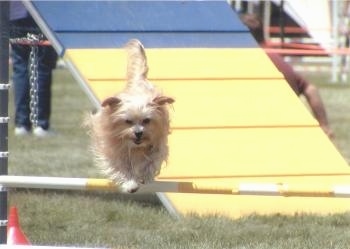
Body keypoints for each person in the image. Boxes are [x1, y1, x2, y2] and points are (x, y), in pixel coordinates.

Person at [240, 14, 334, 139]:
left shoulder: (253, 60)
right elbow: (310, 89)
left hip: (268, 131)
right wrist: (324, 125)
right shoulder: (276, 58)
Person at [9, 2, 57, 137]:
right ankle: (40, 125)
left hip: (14, 13)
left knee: (20, 67)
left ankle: (22, 124)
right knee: (41, 67)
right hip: (38, 12)